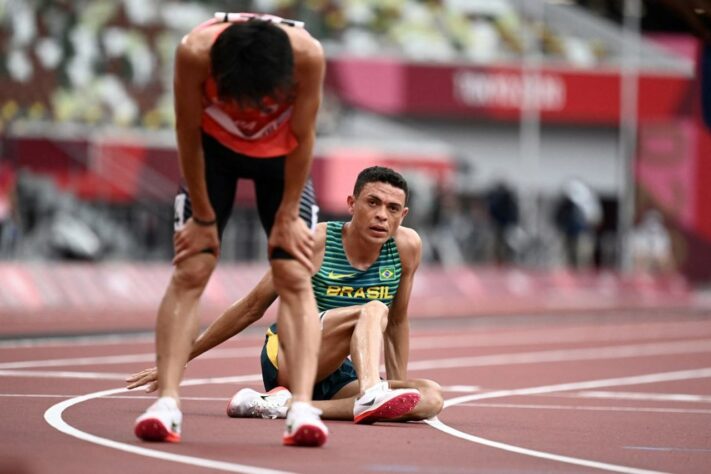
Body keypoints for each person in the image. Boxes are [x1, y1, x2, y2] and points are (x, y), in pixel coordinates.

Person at [133, 12, 327, 447]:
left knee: (293, 274)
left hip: (281, 159)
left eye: (261, 104)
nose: (250, 116)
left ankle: (300, 409)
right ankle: (166, 404)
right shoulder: (194, 53)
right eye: (239, 103)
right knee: (191, 269)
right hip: (213, 154)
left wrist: (288, 214)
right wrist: (202, 218)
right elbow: (186, 132)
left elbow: (305, 135)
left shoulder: (309, 57)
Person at [127, 166, 444, 426]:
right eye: (372, 203)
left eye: (391, 209)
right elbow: (252, 306)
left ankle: (290, 405)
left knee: (431, 396)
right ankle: (370, 392)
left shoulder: (407, 247)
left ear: (403, 215)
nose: (381, 216)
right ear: (352, 204)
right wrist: (182, 357)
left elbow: (399, 321)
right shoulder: (315, 241)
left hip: (337, 366)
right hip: (288, 354)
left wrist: (396, 394)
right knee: (373, 308)